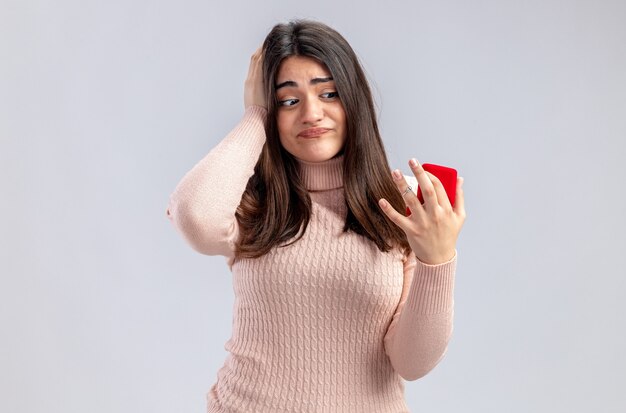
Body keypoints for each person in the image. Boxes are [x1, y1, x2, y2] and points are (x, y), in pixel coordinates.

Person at [166, 19, 465, 413]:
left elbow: (412, 363)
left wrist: (436, 260)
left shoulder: (404, 205)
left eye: (328, 93)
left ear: (354, 100)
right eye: (288, 100)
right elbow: (195, 218)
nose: (311, 113)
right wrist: (255, 114)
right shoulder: (254, 199)